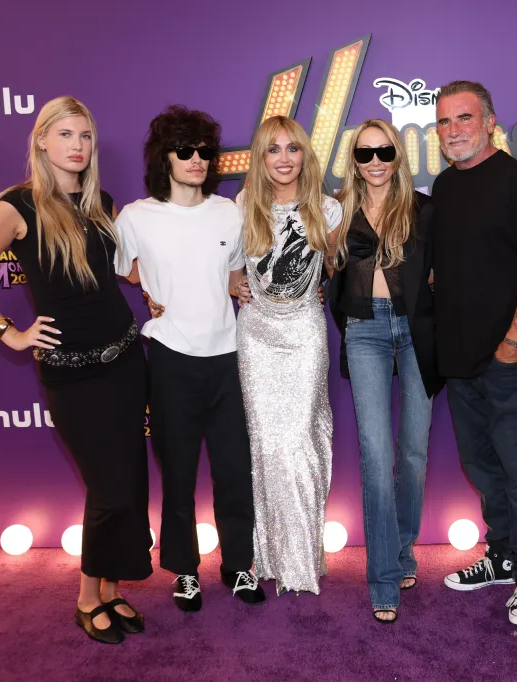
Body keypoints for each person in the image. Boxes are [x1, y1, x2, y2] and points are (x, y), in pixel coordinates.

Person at [0, 96, 151, 644]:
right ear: (41, 141)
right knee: (108, 487)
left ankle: (112, 589)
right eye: (65, 135)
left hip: (126, 361)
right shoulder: (14, 207)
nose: (78, 146)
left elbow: (112, 274)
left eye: (85, 136)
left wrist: (156, 282)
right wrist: (8, 333)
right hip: (71, 373)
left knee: (128, 481)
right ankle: (88, 598)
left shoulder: (99, 202)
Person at [114, 105, 265, 613]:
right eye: (185, 150)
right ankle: (184, 571)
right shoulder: (135, 216)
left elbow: (233, 274)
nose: (197, 159)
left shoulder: (230, 211)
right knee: (177, 470)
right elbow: (125, 270)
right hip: (171, 358)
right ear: (165, 158)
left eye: (204, 151)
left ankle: (239, 565)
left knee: (234, 468)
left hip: (229, 355)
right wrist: (154, 291)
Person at [433, 81, 517, 626]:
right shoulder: (443, 186)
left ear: (489, 122)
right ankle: (502, 553)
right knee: (482, 467)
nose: (454, 130)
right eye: (444, 122)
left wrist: (513, 342)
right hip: (458, 360)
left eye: (464, 118)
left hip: (508, 358)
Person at [327, 119, 441, 624]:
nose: (375, 161)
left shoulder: (423, 209)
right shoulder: (337, 211)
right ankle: (384, 579)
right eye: (365, 153)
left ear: (399, 155)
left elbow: (448, 271)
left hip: (417, 330)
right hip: (365, 330)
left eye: (384, 151)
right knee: (377, 454)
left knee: (413, 451)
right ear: (354, 159)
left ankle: (403, 548)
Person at [234, 115, 343, 595]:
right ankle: (269, 556)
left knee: (300, 442)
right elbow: (224, 266)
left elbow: (339, 272)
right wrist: (230, 281)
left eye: (292, 148)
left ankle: (302, 559)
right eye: (273, 149)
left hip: (303, 334)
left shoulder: (328, 209)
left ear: (305, 155)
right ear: (260, 158)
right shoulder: (242, 206)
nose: (283, 158)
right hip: (255, 336)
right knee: (266, 446)